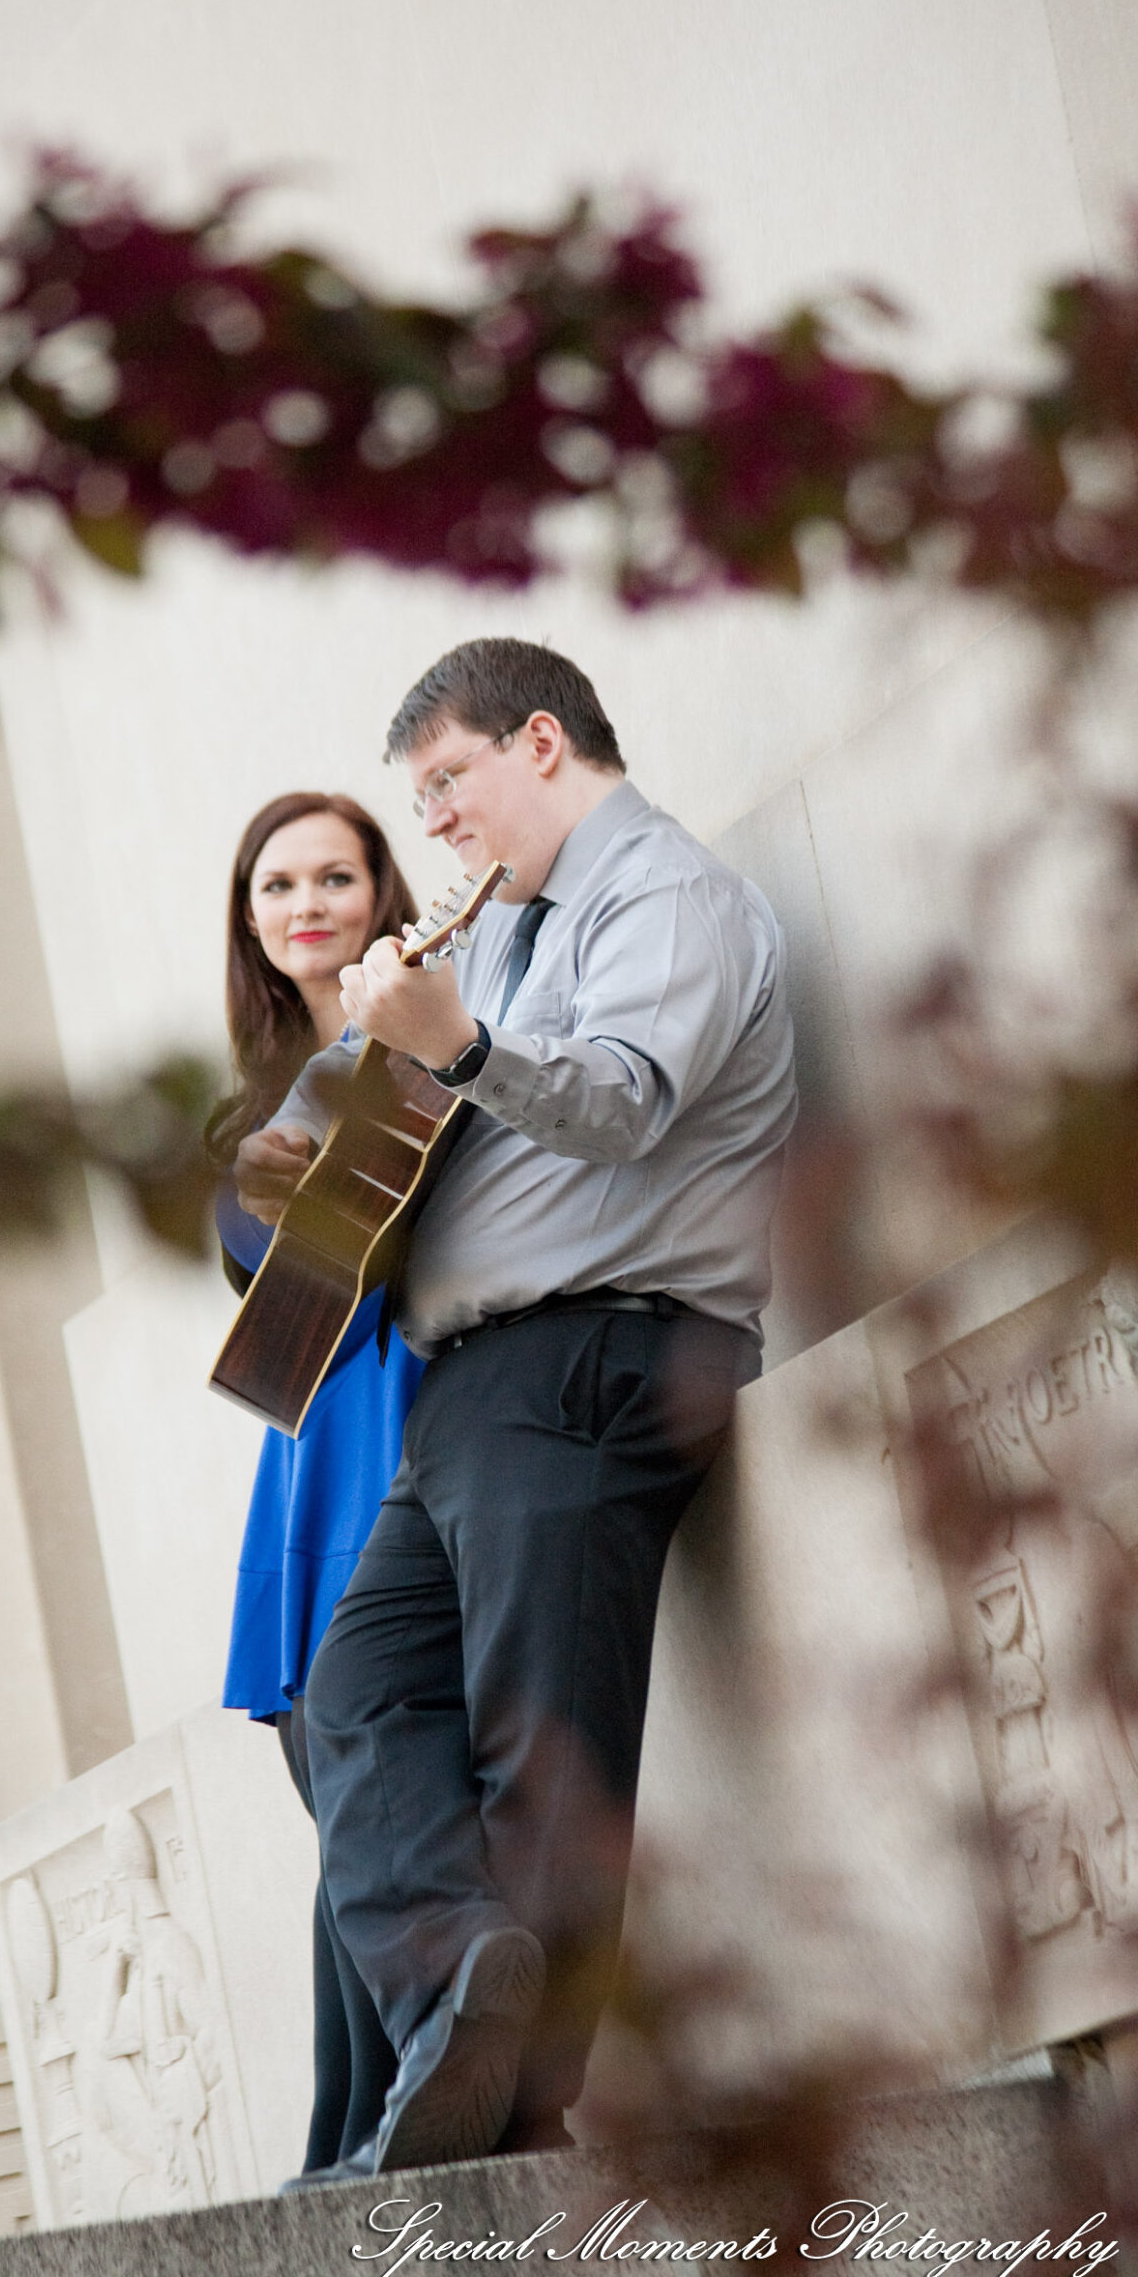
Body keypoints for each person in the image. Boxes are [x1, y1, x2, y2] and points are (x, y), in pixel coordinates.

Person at [235, 639, 797, 2175]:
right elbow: (342, 1128)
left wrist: (459, 1046)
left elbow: (619, 1100)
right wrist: (321, 1125)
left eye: (448, 787)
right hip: (477, 1388)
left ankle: (514, 2116)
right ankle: (458, 1976)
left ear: (539, 742)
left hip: (601, 1359)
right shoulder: (500, 931)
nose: (438, 830)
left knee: (541, 1741)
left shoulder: (659, 897)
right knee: (351, 1692)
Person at [212, 790, 424, 2174]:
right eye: (277, 884)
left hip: (410, 1406)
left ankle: (372, 2126)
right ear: (249, 920)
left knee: (376, 1793)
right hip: (307, 1439)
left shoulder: (428, 1031)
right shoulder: (250, 1107)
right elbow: (267, 1291)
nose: (307, 903)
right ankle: (348, 2132)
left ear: (379, 890)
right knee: (334, 1797)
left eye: (335, 876)